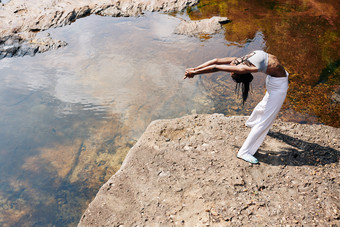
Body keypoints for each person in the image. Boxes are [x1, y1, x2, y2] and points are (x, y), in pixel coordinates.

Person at [184, 50, 289, 164]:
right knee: (265, 122)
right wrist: (194, 71)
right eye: (232, 71)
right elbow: (215, 66)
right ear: (239, 72)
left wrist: (194, 70)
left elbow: (216, 62)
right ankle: (244, 152)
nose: (231, 68)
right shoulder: (243, 64)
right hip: (278, 85)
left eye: (231, 71)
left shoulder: (238, 61)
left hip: (275, 81)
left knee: (266, 103)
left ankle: (252, 122)